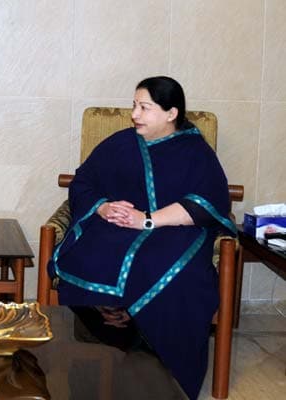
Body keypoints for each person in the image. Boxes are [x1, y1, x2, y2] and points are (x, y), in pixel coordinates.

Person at [48, 76, 236, 399]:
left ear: (171, 113)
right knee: (91, 255)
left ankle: (155, 362)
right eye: (134, 105)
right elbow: (83, 182)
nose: (135, 114)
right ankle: (99, 344)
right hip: (115, 227)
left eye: (145, 107)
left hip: (176, 229)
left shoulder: (195, 151)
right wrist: (104, 208)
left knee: (177, 272)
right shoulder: (121, 142)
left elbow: (207, 202)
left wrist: (146, 220)